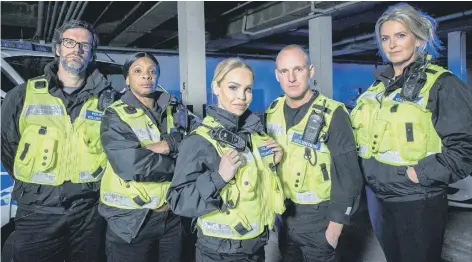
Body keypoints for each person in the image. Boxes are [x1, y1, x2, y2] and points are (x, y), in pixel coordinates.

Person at [350, 3, 472, 262]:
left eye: (401, 35)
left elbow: (465, 149)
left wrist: (419, 174)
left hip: (416, 200)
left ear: (418, 39)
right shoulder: (378, 88)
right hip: (377, 199)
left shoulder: (442, 84)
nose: (392, 44)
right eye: (386, 38)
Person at [0, 20, 118, 261]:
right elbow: (6, 145)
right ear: (58, 49)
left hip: (89, 211)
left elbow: (114, 151)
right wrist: (35, 185)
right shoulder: (23, 95)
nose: (77, 49)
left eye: (84, 45)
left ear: (91, 53)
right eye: (69, 42)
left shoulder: (109, 102)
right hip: (37, 209)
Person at [167, 58, 286, 262]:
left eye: (247, 89)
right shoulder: (199, 141)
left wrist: (273, 161)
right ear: (215, 87)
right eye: (233, 87)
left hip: (256, 246)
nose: (241, 97)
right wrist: (219, 177)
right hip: (220, 252)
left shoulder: (256, 136)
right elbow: (177, 199)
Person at [265, 44, 364, 262]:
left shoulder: (333, 113)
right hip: (284, 214)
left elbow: (348, 176)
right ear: (277, 75)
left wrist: (335, 228)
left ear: (310, 71)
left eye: (298, 69)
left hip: (319, 218)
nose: (291, 78)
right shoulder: (272, 111)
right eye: (284, 71)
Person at [99, 52, 193, 262]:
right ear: (127, 78)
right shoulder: (115, 114)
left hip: (171, 216)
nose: (146, 76)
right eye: (138, 71)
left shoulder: (175, 111)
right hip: (131, 221)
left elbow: (196, 148)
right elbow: (131, 164)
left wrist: (160, 147)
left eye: (152, 71)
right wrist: (174, 151)